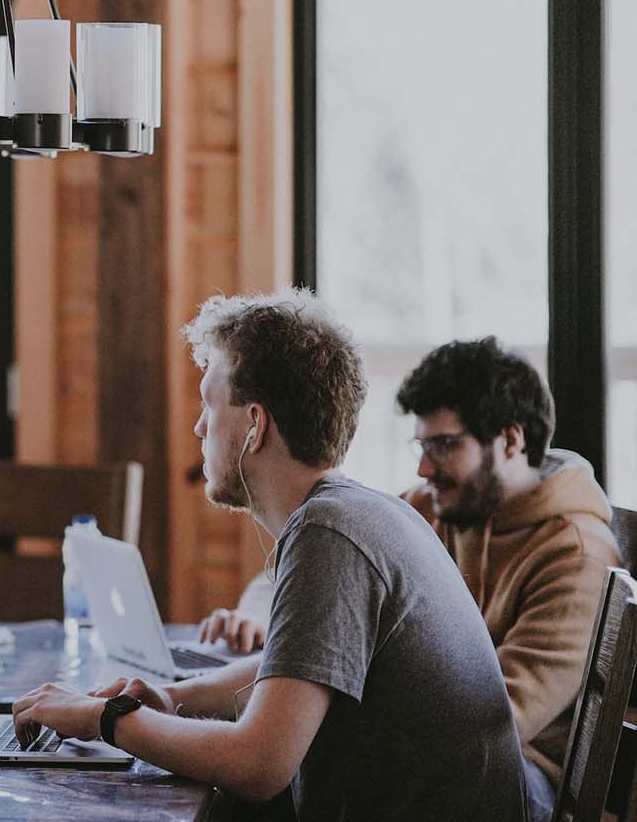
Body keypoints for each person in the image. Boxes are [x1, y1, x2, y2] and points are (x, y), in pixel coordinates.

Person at [11, 290, 528, 822]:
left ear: (254, 426)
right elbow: (298, 667)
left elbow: (259, 764)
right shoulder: (362, 513)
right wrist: (170, 698)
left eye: (209, 405)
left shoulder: (329, 532)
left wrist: (104, 718)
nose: (199, 427)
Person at [196, 337, 618, 820]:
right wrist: (256, 618)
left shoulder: (576, 552)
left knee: (262, 773)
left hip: (519, 780)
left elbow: (497, 718)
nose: (423, 467)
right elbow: (315, 571)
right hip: (434, 751)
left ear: (510, 440)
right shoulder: (430, 506)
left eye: (443, 445)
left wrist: (299, 700)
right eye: (421, 444)